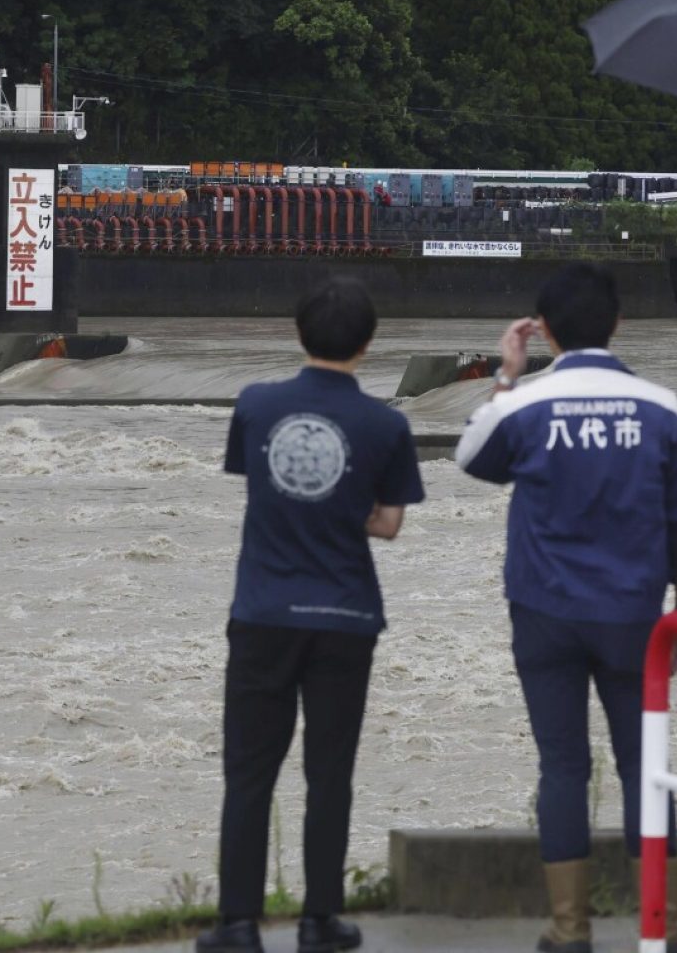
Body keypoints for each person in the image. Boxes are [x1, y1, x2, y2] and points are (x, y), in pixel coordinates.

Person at [455, 263, 677, 953]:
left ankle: (570, 929)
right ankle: (668, 921)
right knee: (641, 762)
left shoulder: (524, 406)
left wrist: (506, 372)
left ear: (546, 330)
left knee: (562, 767)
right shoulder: (661, 407)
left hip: (544, 610)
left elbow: (472, 457)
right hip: (632, 617)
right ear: (618, 324)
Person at [197, 278, 425, 953]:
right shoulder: (387, 425)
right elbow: (387, 525)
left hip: (263, 611)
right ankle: (319, 920)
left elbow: (261, 483)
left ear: (298, 334)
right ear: (369, 342)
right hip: (344, 615)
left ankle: (237, 924)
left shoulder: (257, 405)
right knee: (329, 774)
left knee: (248, 773)